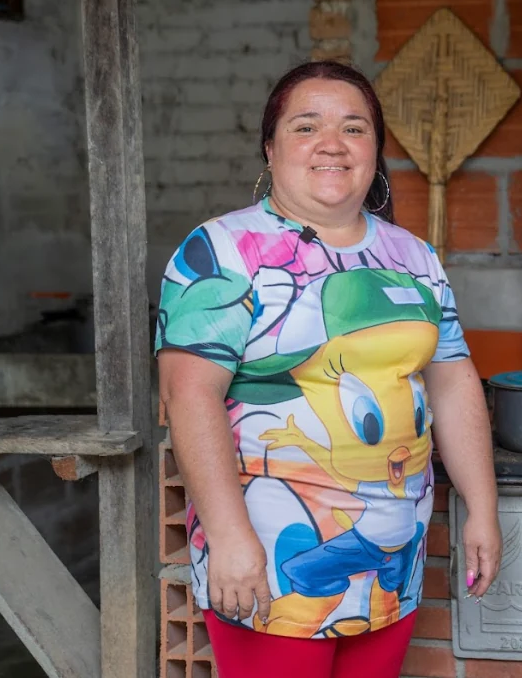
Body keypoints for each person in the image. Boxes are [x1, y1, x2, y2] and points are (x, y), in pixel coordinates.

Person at [155, 60, 502, 678]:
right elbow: (189, 398)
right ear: (270, 147)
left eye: (354, 127)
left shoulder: (413, 257)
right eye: (305, 126)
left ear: (374, 148)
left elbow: (452, 382)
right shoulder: (223, 252)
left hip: (393, 552)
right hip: (270, 557)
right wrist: (232, 538)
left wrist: (482, 506)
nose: (331, 145)